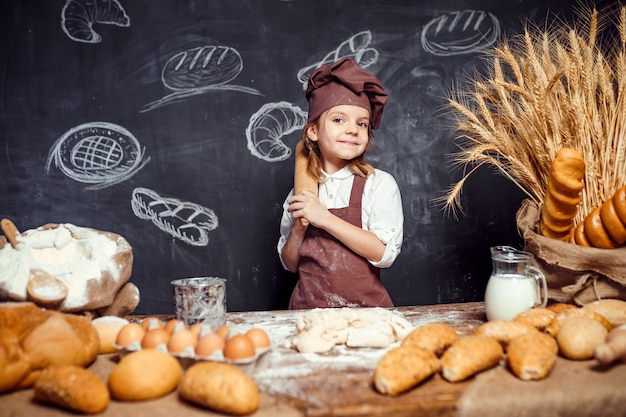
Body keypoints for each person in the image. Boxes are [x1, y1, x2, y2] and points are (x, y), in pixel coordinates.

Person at [277, 57, 403, 309]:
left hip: (367, 314)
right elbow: (290, 264)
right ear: (313, 131)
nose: (352, 130)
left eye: (361, 123)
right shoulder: (302, 192)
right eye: (338, 120)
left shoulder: (378, 184)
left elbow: (384, 254)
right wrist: (299, 229)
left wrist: (323, 218)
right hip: (306, 313)